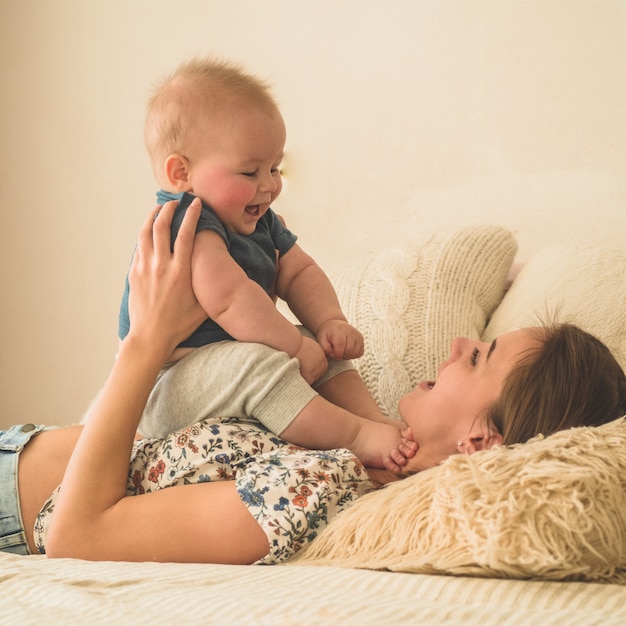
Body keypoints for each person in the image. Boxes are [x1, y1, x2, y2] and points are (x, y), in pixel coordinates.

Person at [6, 201, 626, 564]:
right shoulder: (369, 442)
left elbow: (77, 540)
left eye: (479, 359)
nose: (460, 343)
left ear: (480, 442)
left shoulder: (321, 490)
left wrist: (144, 344)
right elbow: (318, 354)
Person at [111, 57, 412, 470]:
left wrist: (329, 322)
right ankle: (355, 437)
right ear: (182, 172)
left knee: (316, 342)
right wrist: (292, 348)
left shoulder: (259, 220)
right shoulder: (187, 223)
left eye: (275, 167)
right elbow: (231, 300)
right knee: (264, 361)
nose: (269, 185)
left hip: (224, 361)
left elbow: (299, 270)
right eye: (250, 171)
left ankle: (371, 419)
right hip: (167, 383)